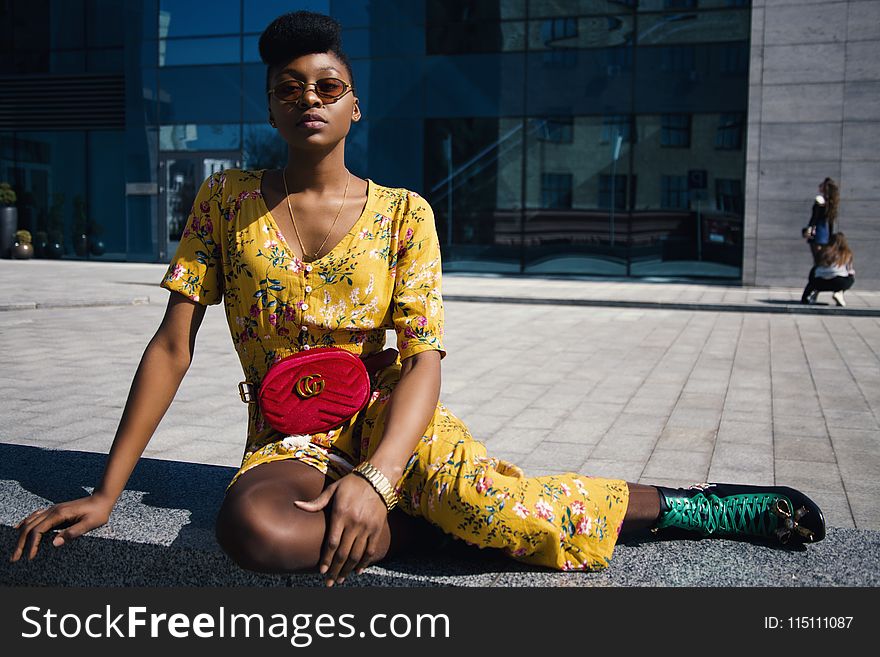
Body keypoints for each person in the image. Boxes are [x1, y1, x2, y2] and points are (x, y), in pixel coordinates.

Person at [10, 11, 826, 584]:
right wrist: (108, 491)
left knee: (500, 512)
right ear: (270, 104)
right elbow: (172, 344)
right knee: (251, 530)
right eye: (289, 87)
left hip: (392, 419)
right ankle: (441, 514)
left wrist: (378, 478)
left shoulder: (405, 213)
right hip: (288, 439)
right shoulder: (225, 200)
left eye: (327, 85)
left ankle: (690, 507)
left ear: (354, 105)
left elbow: (423, 355)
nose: (309, 98)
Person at [801, 232, 855, 307]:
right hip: (838, 282)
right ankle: (839, 293)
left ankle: (813, 294)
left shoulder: (822, 252)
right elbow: (850, 271)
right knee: (851, 278)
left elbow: (815, 269)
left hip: (819, 282)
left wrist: (806, 294)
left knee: (814, 272)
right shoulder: (846, 253)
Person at [802, 177, 839, 263]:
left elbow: (814, 218)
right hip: (824, 234)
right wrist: (830, 237)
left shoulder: (820, 200)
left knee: (817, 260)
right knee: (822, 260)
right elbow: (831, 223)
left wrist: (809, 232)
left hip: (817, 232)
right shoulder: (831, 203)